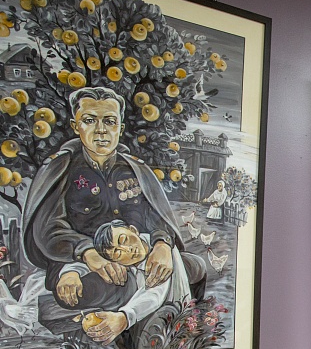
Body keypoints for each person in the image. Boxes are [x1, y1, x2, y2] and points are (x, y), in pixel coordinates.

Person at [21, 86, 205, 313]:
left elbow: (156, 216)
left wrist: (162, 244)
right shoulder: (62, 168)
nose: (101, 130)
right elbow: (48, 231)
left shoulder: (135, 169)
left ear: (120, 127)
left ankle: (183, 324)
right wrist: (86, 253)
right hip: (79, 263)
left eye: (109, 121)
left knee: (195, 267)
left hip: (140, 258)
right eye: (90, 120)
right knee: (100, 288)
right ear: (75, 126)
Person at [73, 219, 191, 349]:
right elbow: (90, 265)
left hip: (172, 318)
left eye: (124, 240)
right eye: (118, 253)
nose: (127, 250)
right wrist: (70, 273)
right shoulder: (129, 263)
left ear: (133, 230)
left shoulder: (160, 253)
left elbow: (154, 294)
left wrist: (124, 317)